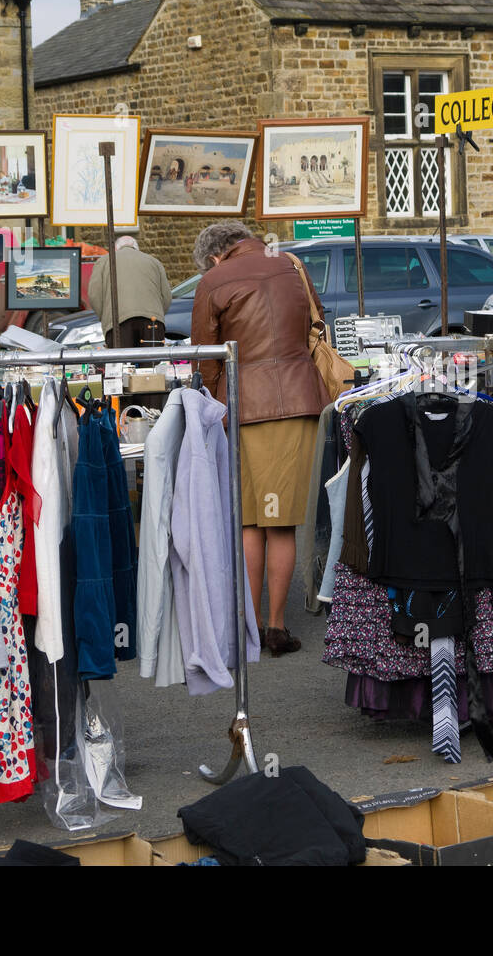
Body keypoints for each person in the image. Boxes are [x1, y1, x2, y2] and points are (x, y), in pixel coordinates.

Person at [190, 220, 328, 657]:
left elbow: (207, 357)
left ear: (215, 256)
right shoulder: (291, 264)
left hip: (246, 406)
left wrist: (214, 401)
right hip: (299, 402)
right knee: (278, 519)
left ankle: (260, 625)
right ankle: (272, 626)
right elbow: (317, 325)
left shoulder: (213, 280)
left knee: (252, 521)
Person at [86, 234, 173, 349]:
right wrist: (157, 314)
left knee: (121, 364)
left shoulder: (104, 261)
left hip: (118, 324)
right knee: (151, 365)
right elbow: (166, 297)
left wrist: (106, 318)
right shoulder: (154, 262)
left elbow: (94, 296)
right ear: (137, 248)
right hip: (152, 323)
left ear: (116, 249)